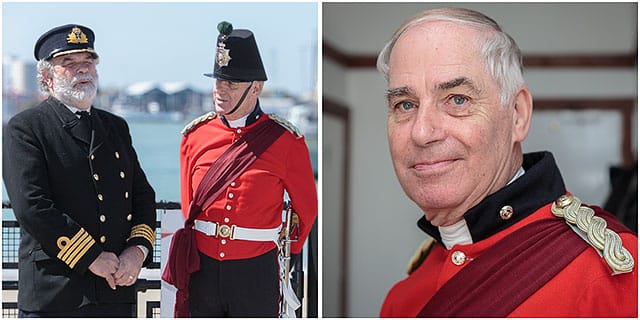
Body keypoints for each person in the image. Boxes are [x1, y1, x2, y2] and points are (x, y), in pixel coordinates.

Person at [376, 7, 637, 317]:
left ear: (518, 115)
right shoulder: (402, 297)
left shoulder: (615, 279)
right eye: (405, 104)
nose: (422, 132)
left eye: (458, 99)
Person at [162, 21, 317, 317]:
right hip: (202, 269)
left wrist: (291, 251)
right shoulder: (194, 136)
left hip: (255, 272)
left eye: (231, 83)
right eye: (218, 81)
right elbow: (189, 204)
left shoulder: (286, 141)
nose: (220, 90)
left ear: (256, 88)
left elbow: (306, 209)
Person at [3, 24, 157, 317]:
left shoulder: (115, 127)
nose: (82, 70)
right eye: (69, 64)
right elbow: (32, 206)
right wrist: (91, 257)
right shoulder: (26, 129)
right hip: (56, 296)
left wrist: (137, 252)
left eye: (88, 62)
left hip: (116, 292)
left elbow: (142, 195)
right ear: (47, 77)